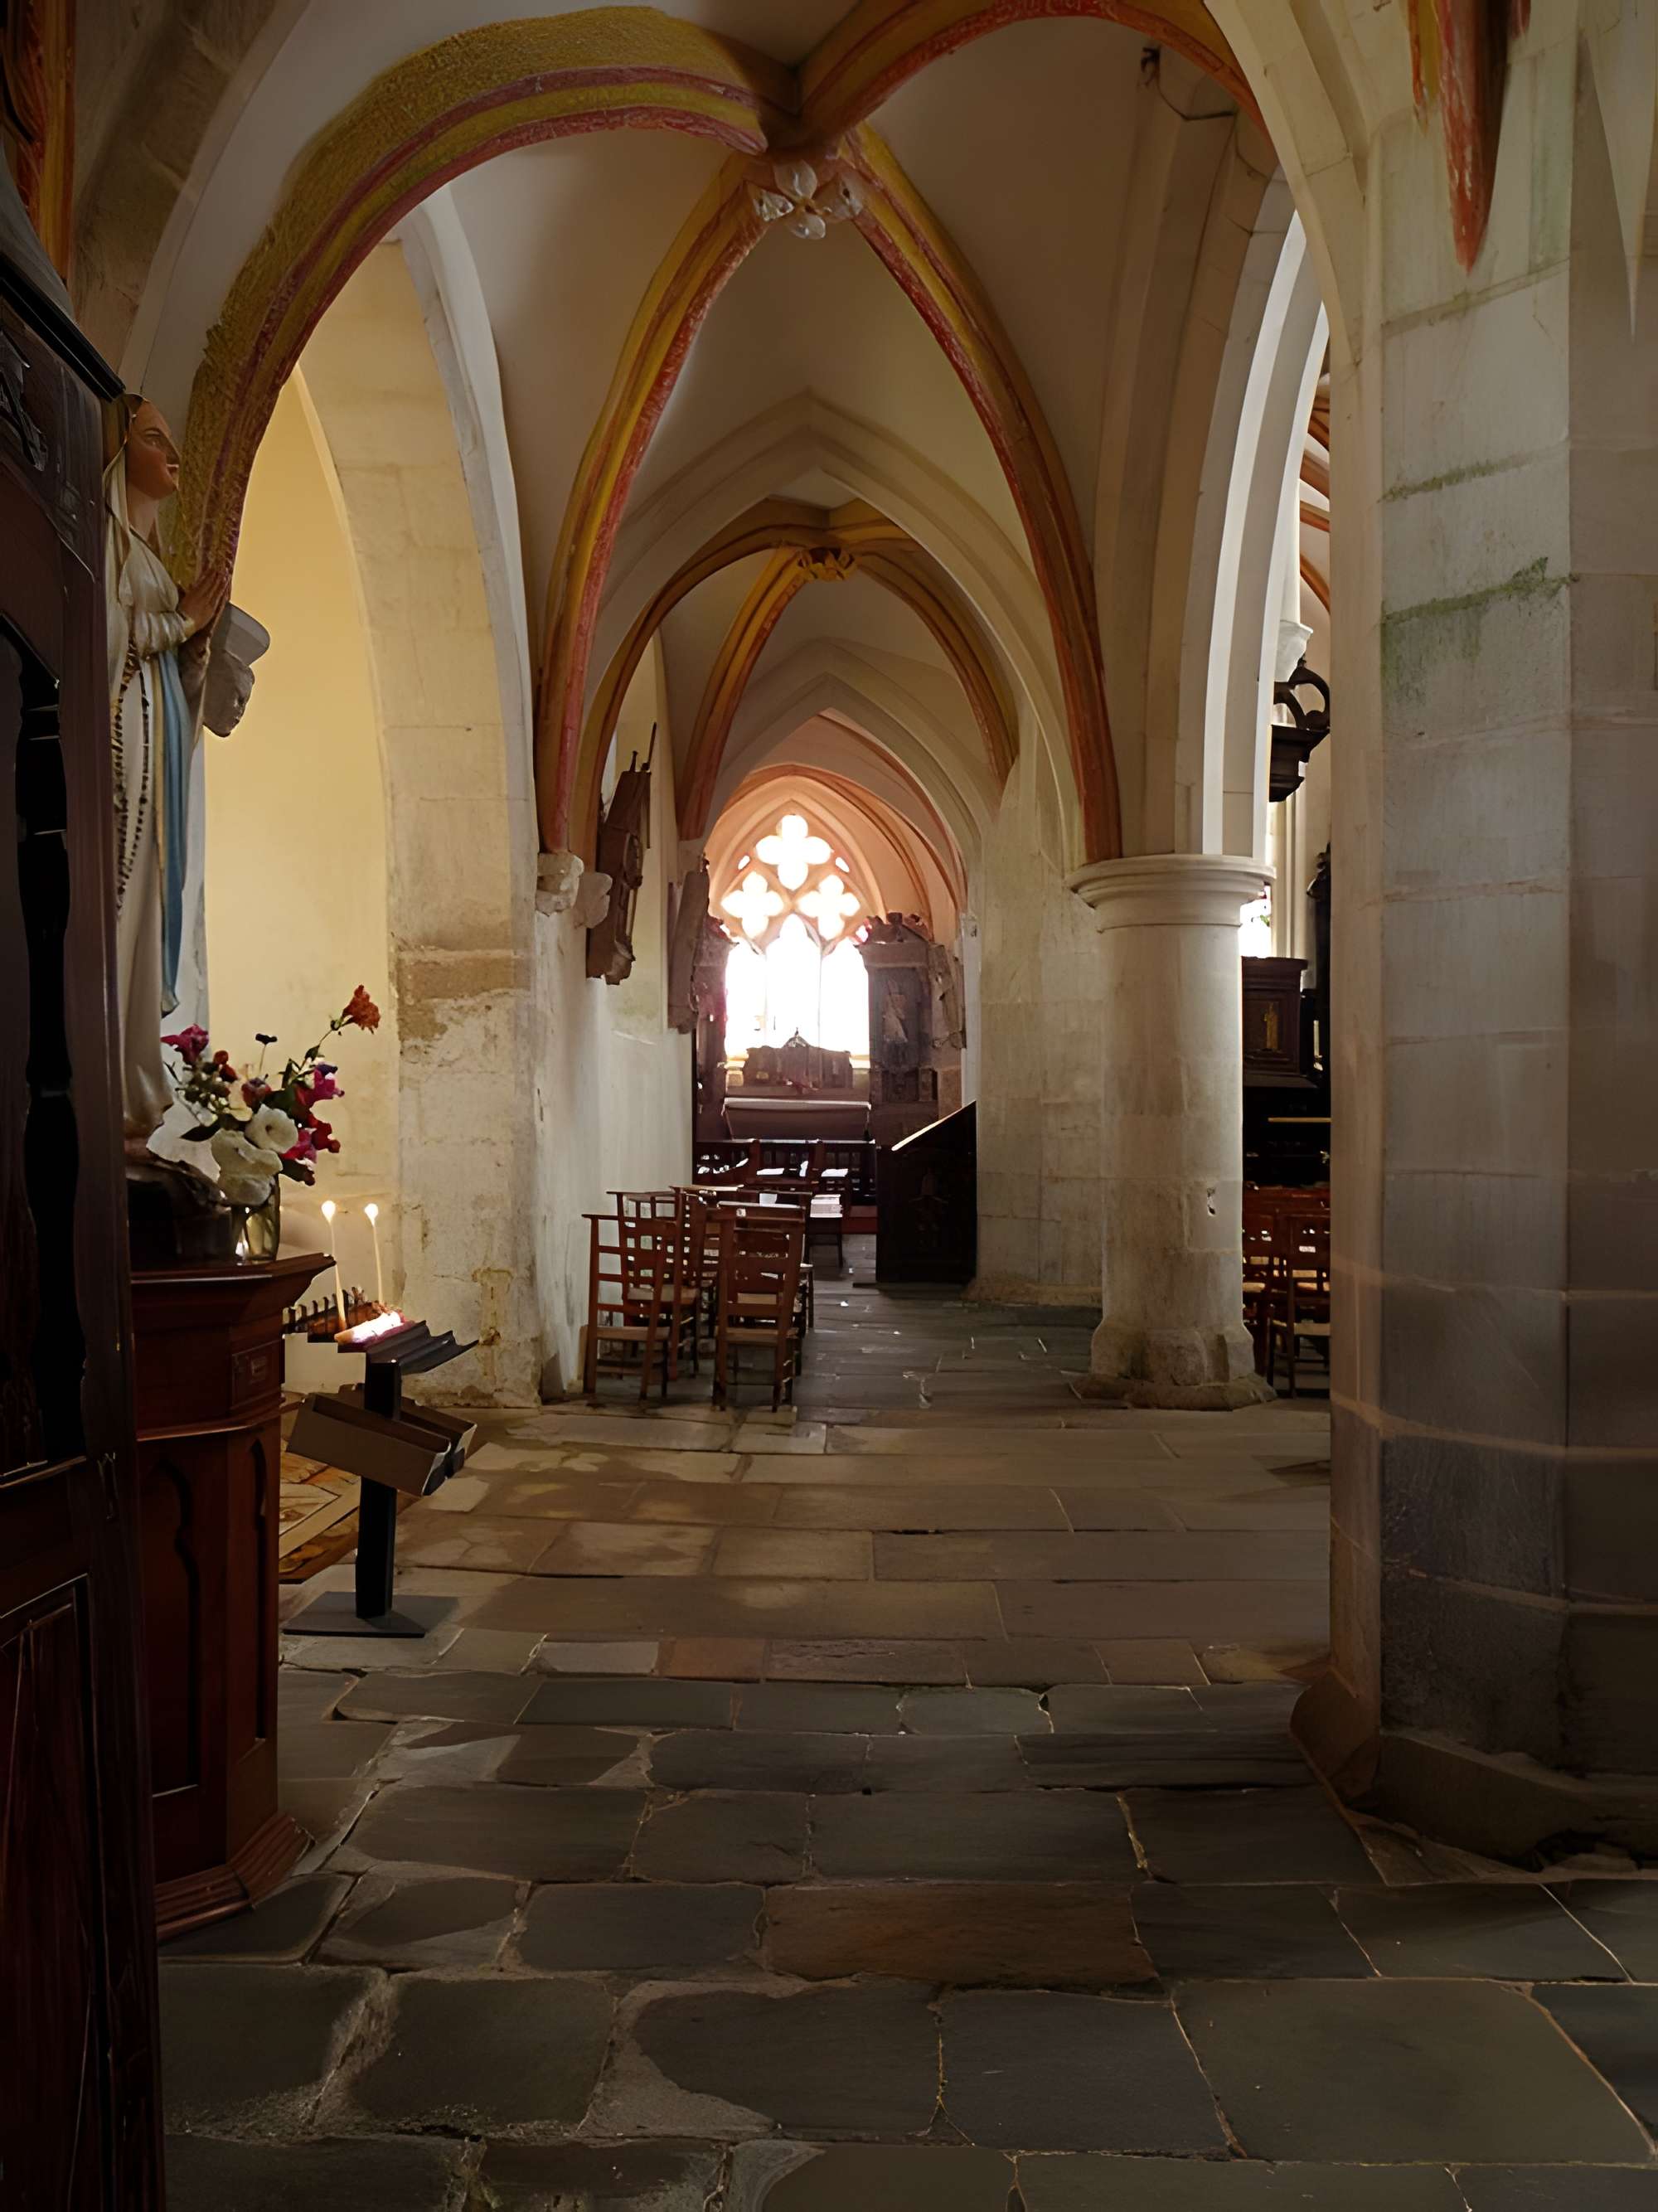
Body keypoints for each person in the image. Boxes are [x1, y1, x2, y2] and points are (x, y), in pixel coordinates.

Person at [105, 395, 228, 1144]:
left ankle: (136, 1086)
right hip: (123, 755)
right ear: (119, 453)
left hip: (158, 751)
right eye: (155, 439)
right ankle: (118, 1085)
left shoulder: (145, 556)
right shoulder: (103, 538)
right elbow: (103, 631)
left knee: (152, 908)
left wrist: (195, 641)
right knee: (122, 910)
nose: (173, 455)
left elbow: (163, 655)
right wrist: (180, 621)